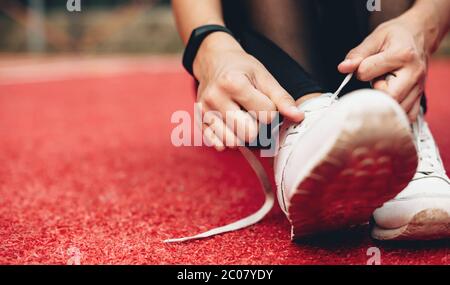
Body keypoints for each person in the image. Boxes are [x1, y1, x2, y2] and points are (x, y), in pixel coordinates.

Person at [169, 0, 450, 242]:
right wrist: (210, 46)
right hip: (261, 63)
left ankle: (396, 110)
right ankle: (305, 116)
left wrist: (423, 23)